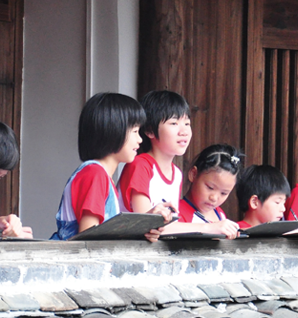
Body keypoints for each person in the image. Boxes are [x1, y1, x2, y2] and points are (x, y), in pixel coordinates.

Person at [51, 92, 173, 241]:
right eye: (135, 131)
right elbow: (89, 238)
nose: (140, 139)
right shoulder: (95, 174)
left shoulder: (100, 175)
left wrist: (144, 227)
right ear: (113, 131)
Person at [118, 90, 192, 215]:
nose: (184, 131)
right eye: (174, 123)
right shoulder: (140, 166)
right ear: (150, 131)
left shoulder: (177, 174)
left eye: (187, 123)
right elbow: (146, 221)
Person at [176, 144, 242, 239]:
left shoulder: (219, 214)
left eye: (224, 193)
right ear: (193, 174)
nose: (214, 198)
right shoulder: (176, 212)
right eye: (210, 187)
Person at [236, 164, 290, 228]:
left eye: (283, 203)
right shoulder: (237, 231)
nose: (283, 209)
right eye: (277, 202)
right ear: (254, 202)